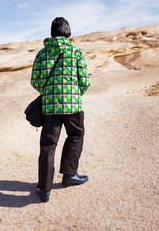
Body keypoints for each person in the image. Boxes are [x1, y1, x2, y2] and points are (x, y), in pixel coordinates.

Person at [30, 17, 91, 203]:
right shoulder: (75, 52)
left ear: (52, 33)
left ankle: (44, 188)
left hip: (50, 107)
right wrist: (74, 94)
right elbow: (85, 81)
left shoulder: (42, 54)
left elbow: (35, 81)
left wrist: (48, 93)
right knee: (75, 135)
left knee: (48, 146)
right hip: (73, 106)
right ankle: (69, 175)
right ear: (68, 32)